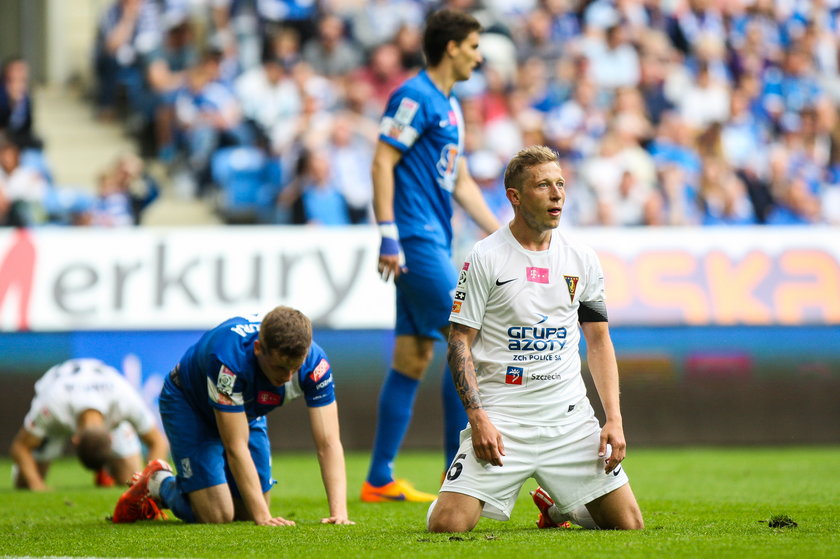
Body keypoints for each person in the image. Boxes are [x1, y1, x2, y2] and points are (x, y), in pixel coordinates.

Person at [426, 145, 644, 532]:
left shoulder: (582, 259)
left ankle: (558, 508)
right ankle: (453, 489)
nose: (557, 193)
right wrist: (478, 419)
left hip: (569, 420)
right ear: (515, 196)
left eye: (560, 183)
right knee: (447, 527)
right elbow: (459, 341)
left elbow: (598, 342)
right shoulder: (484, 256)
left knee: (628, 524)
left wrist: (614, 419)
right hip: (503, 419)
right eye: (543, 185)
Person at [362, 8, 500, 503]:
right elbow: (382, 159)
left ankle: (378, 478)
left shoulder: (451, 104)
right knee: (463, 337)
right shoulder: (413, 96)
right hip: (415, 240)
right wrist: (387, 233)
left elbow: (459, 181)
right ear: (452, 48)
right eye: (474, 46)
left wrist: (502, 231)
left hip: (436, 239)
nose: (479, 56)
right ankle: (456, 477)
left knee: (414, 355)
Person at [112, 306, 353, 526]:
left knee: (247, 510)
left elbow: (328, 442)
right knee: (217, 515)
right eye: (280, 367)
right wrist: (264, 519)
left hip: (247, 410)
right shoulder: (229, 360)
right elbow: (235, 445)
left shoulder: (315, 364)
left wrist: (339, 513)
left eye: (296, 367)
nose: (288, 377)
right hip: (190, 404)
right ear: (259, 349)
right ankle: (158, 482)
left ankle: (200, 489)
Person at [9, 358, 169, 490]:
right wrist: (37, 484)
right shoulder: (52, 406)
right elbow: (19, 447)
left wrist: (146, 484)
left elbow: (158, 442)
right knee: (24, 484)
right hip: (56, 424)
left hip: (104, 407)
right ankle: (106, 470)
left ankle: (107, 472)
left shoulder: (123, 399)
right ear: (75, 438)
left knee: (131, 479)